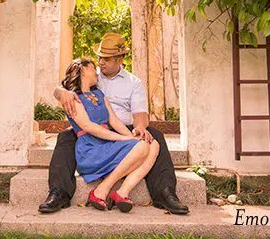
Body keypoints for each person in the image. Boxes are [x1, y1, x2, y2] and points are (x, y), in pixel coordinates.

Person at [38, 33, 189, 215]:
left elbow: (140, 113)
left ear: (120, 59)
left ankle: (165, 192)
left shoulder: (133, 82)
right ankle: (59, 192)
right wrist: (61, 92)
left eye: (107, 59)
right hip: (92, 128)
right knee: (65, 136)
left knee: (154, 135)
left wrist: (139, 128)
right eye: (100, 57)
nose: (101, 62)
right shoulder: (93, 75)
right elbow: (69, 83)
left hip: (123, 126)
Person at [58, 57, 159, 212]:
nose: (97, 72)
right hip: (90, 148)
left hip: (106, 143)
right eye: (93, 68)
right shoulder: (73, 98)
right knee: (143, 146)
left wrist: (132, 136)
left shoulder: (99, 94)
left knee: (153, 144)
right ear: (83, 70)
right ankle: (101, 190)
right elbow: (90, 127)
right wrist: (124, 139)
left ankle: (122, 192)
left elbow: (114, 121)